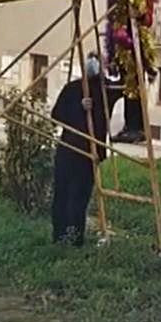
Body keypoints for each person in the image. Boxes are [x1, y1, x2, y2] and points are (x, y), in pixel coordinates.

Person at [50, 53, 118, 247]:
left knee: (79, 198)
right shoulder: (73, 88)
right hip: (69, 149)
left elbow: (125, 88)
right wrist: (79, 108)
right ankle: (59, 236)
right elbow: (57, 115)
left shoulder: (105, 92)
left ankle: (75, 238)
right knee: (63, 194)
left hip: (89, 153)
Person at [103, 0, 158, 144]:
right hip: (121, 44)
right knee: (128, 86)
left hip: (135, 45)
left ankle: (135, 128)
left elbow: (148, 20)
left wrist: (141, 16)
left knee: (133, 87)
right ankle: (131, 126)